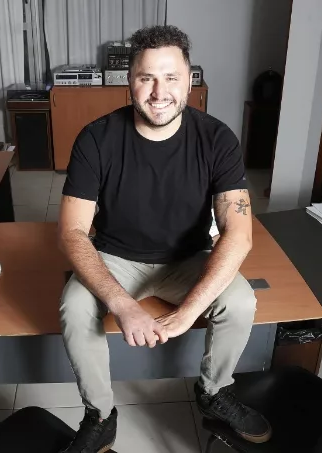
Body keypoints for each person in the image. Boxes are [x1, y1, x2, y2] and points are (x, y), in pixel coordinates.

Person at [57, 25, 270, 453]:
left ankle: (213, 391)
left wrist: (188, 313)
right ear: (129, 81)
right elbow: (72, 232)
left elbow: (239, 234)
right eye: (146, 78)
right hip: (116, 257)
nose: (159, 92)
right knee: (74, 306)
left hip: (188, 258)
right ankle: (100, 414)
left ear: (189, 81)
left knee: (241, 300)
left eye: (171, 77)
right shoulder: (96, 138)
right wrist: (123, 306)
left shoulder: (217, 139)